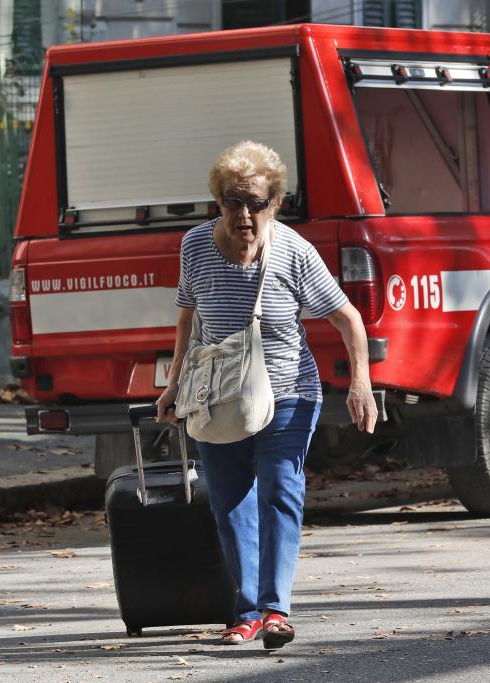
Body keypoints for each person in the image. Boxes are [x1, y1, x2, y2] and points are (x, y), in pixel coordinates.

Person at [155, 140, 378, 648]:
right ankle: (247, 610)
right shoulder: (195, 246)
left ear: (275, 204)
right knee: (230, 505)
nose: (246, 214)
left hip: (289, 392)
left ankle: (274, 610)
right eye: (235, 202)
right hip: (218, 396)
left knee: (279, 493)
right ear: (219, 203)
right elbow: (188, 316)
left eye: (257, 203)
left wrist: (360, 383)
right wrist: (172, 387)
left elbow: (348, 318)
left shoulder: (293, 252)